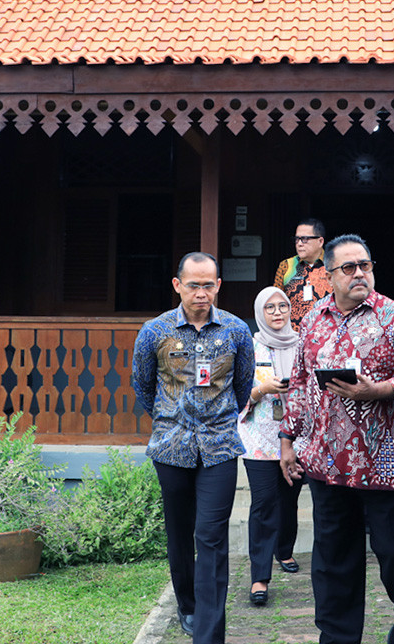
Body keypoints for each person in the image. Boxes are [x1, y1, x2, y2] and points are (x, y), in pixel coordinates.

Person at [279, 234, 394, 644]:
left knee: (393, 550)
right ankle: (337, 636)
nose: (359, 273)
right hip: (325, 460)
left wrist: (379, 391)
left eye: (365, 265)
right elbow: (298, 383)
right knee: (333, 559)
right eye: (348, 268)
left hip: (382, 459)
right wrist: (287, 439)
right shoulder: (312, 320)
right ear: (328, 276)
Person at [132, 253, 255, 643]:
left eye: (208, 284)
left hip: (219, 446)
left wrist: (215, 418)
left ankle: (209, 629)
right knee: (180, 533)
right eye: (193, 285)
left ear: (218, 285)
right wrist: (173, 418)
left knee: (211, 536)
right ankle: (186, 604)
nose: (201, 293)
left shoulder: (236, 331)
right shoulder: (155, 331)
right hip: (171, 447)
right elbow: (143, 385)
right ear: (177, 285)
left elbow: (243, 384)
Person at [237, 286, 305, 608]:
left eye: (283, 306)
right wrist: (261, 390)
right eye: (270, 308)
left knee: (289, 497)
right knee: (264, 503)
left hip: (298, 437)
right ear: (259, 312)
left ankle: (284, 549)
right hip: (260, 438)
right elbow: (237, 395)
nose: (278, 313)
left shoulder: (303, 344)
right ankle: (259, 577)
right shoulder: (249, 347)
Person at [274, 218, 332, 328]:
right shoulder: (286, 266)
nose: (299, 244)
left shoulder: (335, 265)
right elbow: (276, 303)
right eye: (297, 239)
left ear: (320, 241)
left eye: (305, 239)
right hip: (293, 337)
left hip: (327, 335)